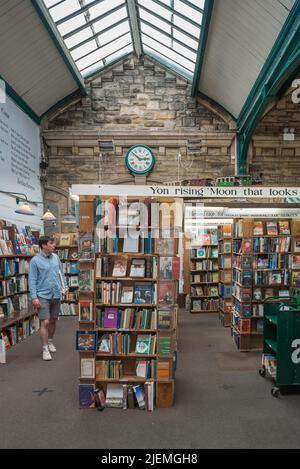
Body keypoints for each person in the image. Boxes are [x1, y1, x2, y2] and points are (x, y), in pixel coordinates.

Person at [29, 236, 68, 361]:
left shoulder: (56, 257)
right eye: (51, 243)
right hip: (42, 295)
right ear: (44, 245)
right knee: (45, 322)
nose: (54, 245)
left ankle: (50, 341)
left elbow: (61, 273)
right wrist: (34, 297)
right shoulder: (35, 261)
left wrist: (65, 286)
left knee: (53, 320)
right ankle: (45, 348)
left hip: (56, 293)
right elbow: (32, 280)